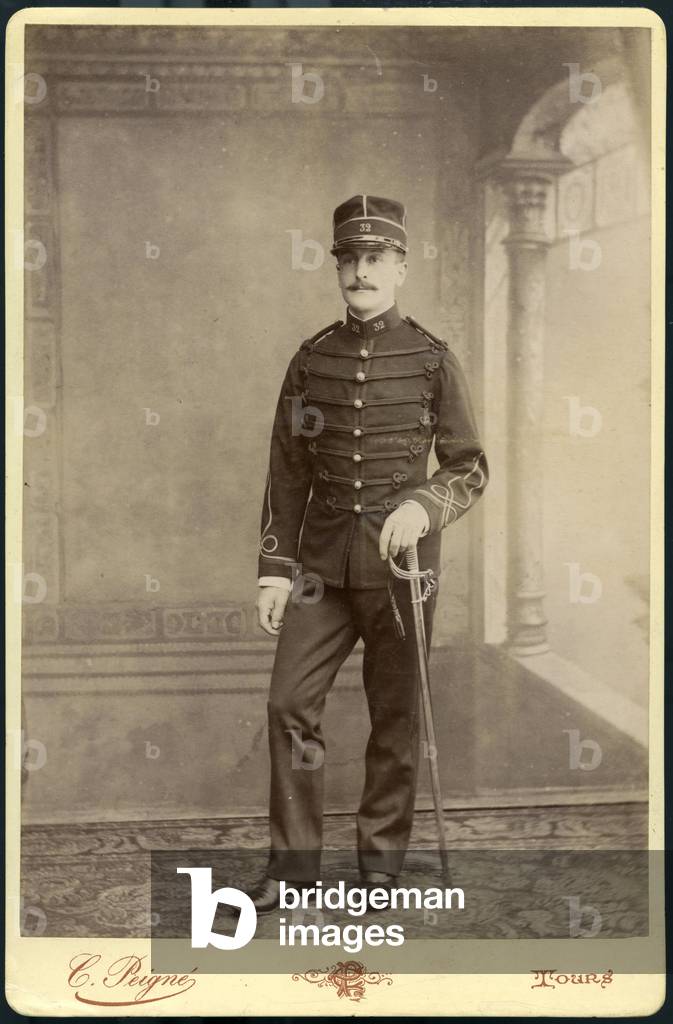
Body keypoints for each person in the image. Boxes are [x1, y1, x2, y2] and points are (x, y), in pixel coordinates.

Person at [250, 194, 488, 912]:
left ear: (401, 268)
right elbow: (287, 470)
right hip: (319, 571)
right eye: (348, 259)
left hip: (401, 571)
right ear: (336, 268)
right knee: (289, 703)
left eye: (375, 258)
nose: (360, 272)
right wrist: (272, 570)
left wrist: (421, 505)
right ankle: (292, 871)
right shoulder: (310, 359)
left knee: (395, 714)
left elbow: (469, 467)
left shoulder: (431, 358)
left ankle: (380, 865)